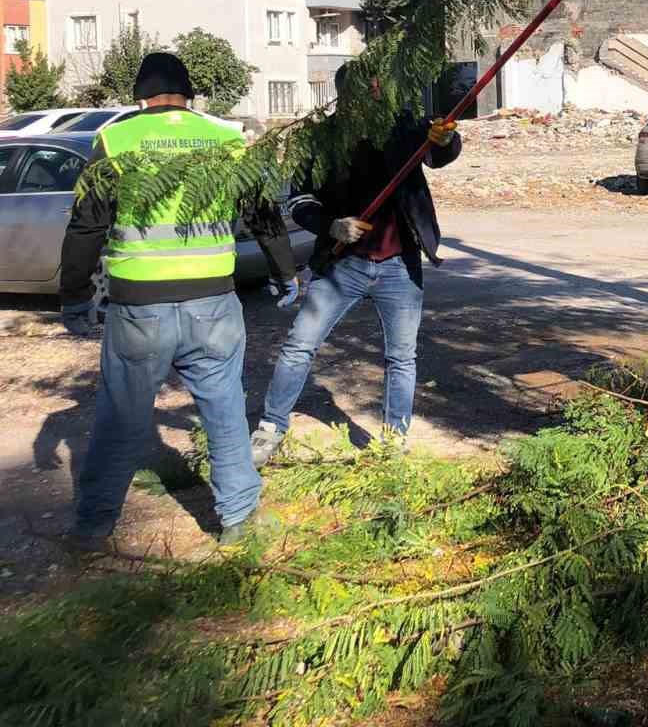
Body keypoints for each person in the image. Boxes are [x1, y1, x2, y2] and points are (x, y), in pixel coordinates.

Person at [60, 52, 299, 548]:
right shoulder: (228, 139)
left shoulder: (116, 139)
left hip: (137, 309)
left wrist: (75, 297)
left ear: (139, 95)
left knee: (122, 419)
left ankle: (91, 527)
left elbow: (87, 224)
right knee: (225, 411)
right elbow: (263, 214)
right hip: (213, 302)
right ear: (191, 94)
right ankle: (237, 520)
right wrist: (286, 273)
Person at [250, 64, 461, 465]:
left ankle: (393, 440)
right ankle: (270, 428)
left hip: (399, 265)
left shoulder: (403, 127)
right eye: (368, 90)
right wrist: (331, 225)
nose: (377, 95)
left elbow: (437, 153)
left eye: (380, 88)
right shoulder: (320, 140)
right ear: (345, 96)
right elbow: (299, 201)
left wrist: (447, 139)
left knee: (402, 358)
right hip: (342, 265)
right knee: (299, 345)